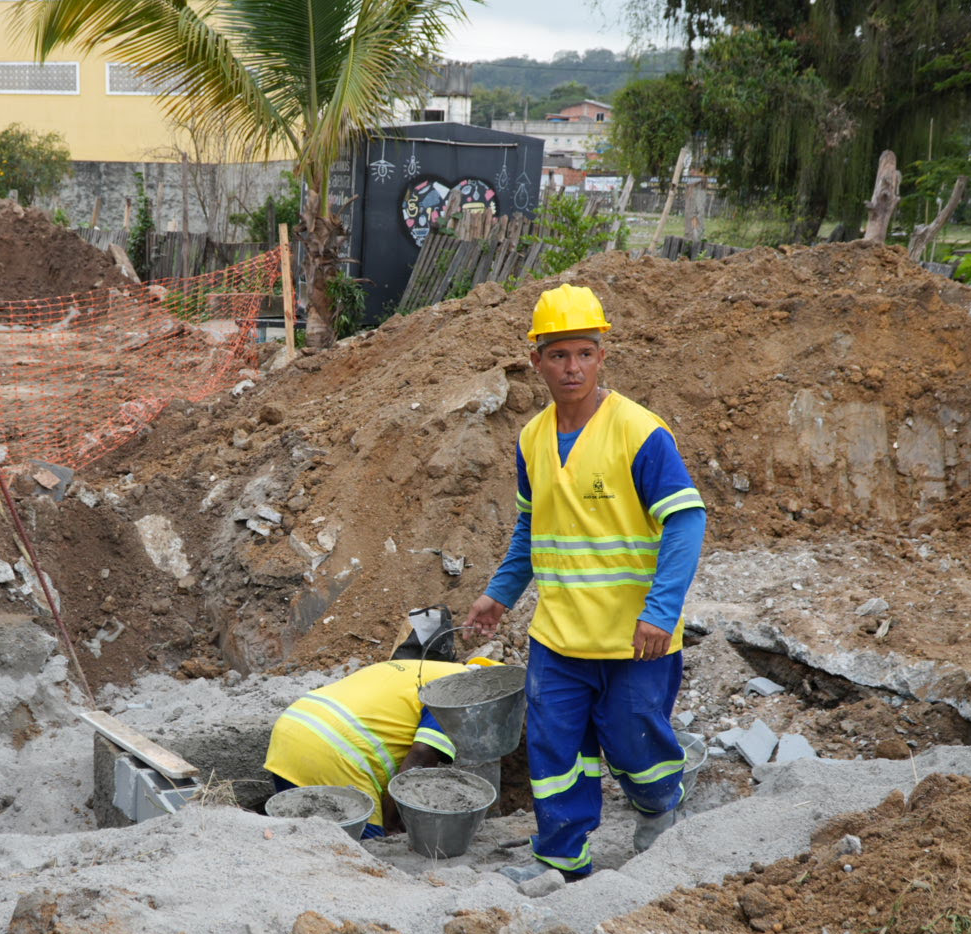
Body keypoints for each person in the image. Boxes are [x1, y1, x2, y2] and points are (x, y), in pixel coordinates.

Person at [464, 283, 706, 882]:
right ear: (535, 361)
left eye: (585, 353)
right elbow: (532, 527)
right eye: (559, 355)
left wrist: (661, 608)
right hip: (559, 636)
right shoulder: (531, 439)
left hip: (634, 638)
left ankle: (658, 805)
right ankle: (561, 859)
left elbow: (686, 519)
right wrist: (499, 594)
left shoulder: (639, 433)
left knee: (634, 746)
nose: (572, 368)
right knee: (555, 752)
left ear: (603, 355)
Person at [263, 608, 484, 838]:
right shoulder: (462, 687)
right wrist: (392, 823)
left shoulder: (405, 671)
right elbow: (421, 756)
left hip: (289, 732)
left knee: (298, 834)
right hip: (333, 754)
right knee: (368, 847)